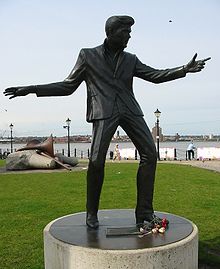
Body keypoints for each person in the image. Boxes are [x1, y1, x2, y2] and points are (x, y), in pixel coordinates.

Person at [3, 15, 210, 229]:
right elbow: (68, 86)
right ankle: (91, 213)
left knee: (150, 154)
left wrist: (183, 69)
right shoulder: (88, 55)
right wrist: (32, 89)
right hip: (103, 112)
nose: (129, 35)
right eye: (125, 32)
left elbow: (155, 75)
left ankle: (145, 213)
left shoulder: (131, 59)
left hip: (130, 110)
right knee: (95, 162)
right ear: (110, 33)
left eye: (130, 32)